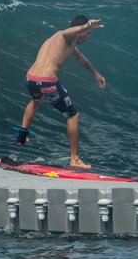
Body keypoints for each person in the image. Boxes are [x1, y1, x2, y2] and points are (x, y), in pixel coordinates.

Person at [14, 16, 105, 170]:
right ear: (81, 31)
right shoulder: (66, 36)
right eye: (88, 33)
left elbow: (81, 58)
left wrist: (96, 74)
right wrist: (86, 26)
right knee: (72, 115)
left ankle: (21, 137)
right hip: (47, 80)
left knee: (36, 101)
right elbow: (66, 33)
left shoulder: (59, 42)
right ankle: (75, 159)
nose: (88, 37)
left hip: (31, 78)